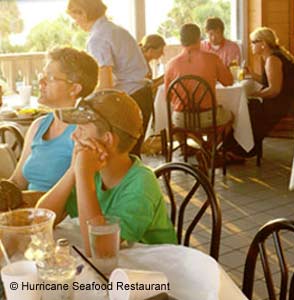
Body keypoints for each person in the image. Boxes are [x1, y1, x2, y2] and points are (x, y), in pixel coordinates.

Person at [37, 90, 177, 256]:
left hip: (154, 270)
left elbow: (100, 251)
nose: (74, 136)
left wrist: (83, 173)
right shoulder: (94, 172)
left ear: (107, 140)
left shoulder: (141, 184)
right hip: (119, 267)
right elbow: (40, 222)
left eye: (81, 129)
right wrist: (72, 172)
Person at [8, 47, 98, 198]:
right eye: (41, 75)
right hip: (28, 214)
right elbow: (17, 181)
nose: (40, 82)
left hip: (61, 218)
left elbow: (81, 195)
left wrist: (26, 201)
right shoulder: (38, 125)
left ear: (74, 88)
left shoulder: (84, 131)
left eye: (49, 78)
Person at [66, 0, 151, 156]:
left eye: (75, 18)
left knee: (121, 159)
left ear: (83, 13)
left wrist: (83, 103)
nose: (76, 23)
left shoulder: (97, 38)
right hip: (142, 94)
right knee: (132, 157)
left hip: (129, 99)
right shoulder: (115, 30)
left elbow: (105, 85)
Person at [227, 27, 294, 158]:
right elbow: (269, 81)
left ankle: (240, 149)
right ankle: (238, 148)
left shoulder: (272, 60)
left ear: (263, 44)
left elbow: (274, 90)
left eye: (254, 42)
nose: (251, 45)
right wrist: (252, 75)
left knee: (247, 109)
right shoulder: (273, 56)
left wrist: (253, 95)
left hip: (283, 104)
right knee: (248, 107)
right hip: (285, 99)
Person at [165, 23, 234, 129]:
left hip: (181, 118)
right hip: (207, 116)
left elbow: (167, 97)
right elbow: (228, 82)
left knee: (178, 126)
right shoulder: (212, 59)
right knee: (231, 116)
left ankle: (192, 144)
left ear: (181, 41)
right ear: (199, 39)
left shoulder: (170, 64)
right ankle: (211, 144)